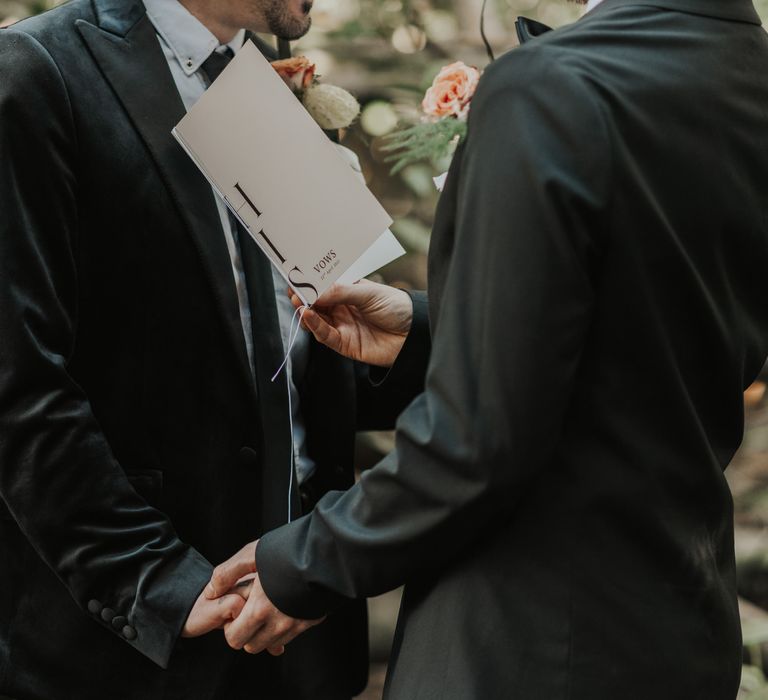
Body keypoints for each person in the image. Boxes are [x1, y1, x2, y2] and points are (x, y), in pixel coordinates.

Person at [207, 0, 768, 697]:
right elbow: (647, 329)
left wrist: (307, 565)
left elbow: (479, 439)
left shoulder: (553, 87)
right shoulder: (745, 72)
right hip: (679, 624)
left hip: (524, 644)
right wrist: (427, 330)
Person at [0, 0, 429, 698]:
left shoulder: (265, 82)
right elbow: (19, 381)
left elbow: (316, 357)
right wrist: (158, 583)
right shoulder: (36, 72)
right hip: (133, 652)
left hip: (301, 645)